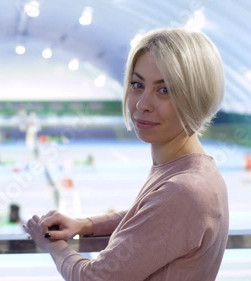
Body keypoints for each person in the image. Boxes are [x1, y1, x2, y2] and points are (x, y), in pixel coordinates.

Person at [24, 28, 229, 281]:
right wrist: (86, 225)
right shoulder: (190, 172)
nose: (142, 104)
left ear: (197, 96)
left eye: (164, 90)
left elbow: (94, 278)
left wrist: (53, 247)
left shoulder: (185, 190)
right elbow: (152, 218)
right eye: (137, 84)